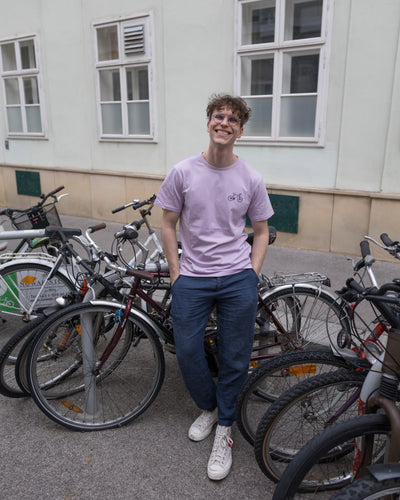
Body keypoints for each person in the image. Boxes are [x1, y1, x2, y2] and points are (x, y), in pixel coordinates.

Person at [155, 94, 274, 480]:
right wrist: (176, 273)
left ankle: (225, 426)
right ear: (208, 123)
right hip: (193, 277)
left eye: (233, 119)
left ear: (240, 130)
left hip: (237, 276)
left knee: (235, 354)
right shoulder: (183, 172)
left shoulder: (251, 178)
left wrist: (252, 273)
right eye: (219, 116)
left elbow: (261, 230)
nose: (225, 123)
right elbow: (168, 224)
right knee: (188, 349)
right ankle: (208, 407)